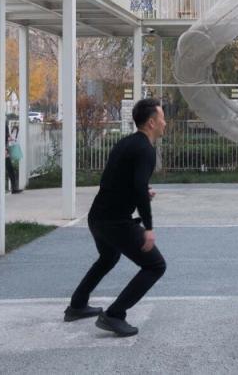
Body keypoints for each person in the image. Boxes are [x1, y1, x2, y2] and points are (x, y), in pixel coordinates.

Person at [65, 97, 168, 337]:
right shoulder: (146, 150)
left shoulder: (126, 143)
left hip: (97, 217)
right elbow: (138, 185)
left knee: (108, 257)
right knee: (155, 265)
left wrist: (140, 191)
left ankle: (77, 305)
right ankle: (114, 315)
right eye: (162, 118)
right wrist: (148, 227)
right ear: (152, 123)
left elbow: (116, 179)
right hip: (115, 222)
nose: (165, 123)